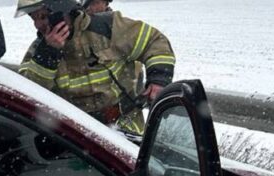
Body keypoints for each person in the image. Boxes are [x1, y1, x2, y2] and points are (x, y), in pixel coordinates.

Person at [16, 0, 174, 135]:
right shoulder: (38, 51)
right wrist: (48, 54)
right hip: (77, 138)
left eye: (42, 17)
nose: (37, 25)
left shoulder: (109, 27)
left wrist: (158, 79)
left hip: (126, 129)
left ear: (62, 9)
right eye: (33, 18)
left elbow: (155, 42)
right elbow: (27, 96)